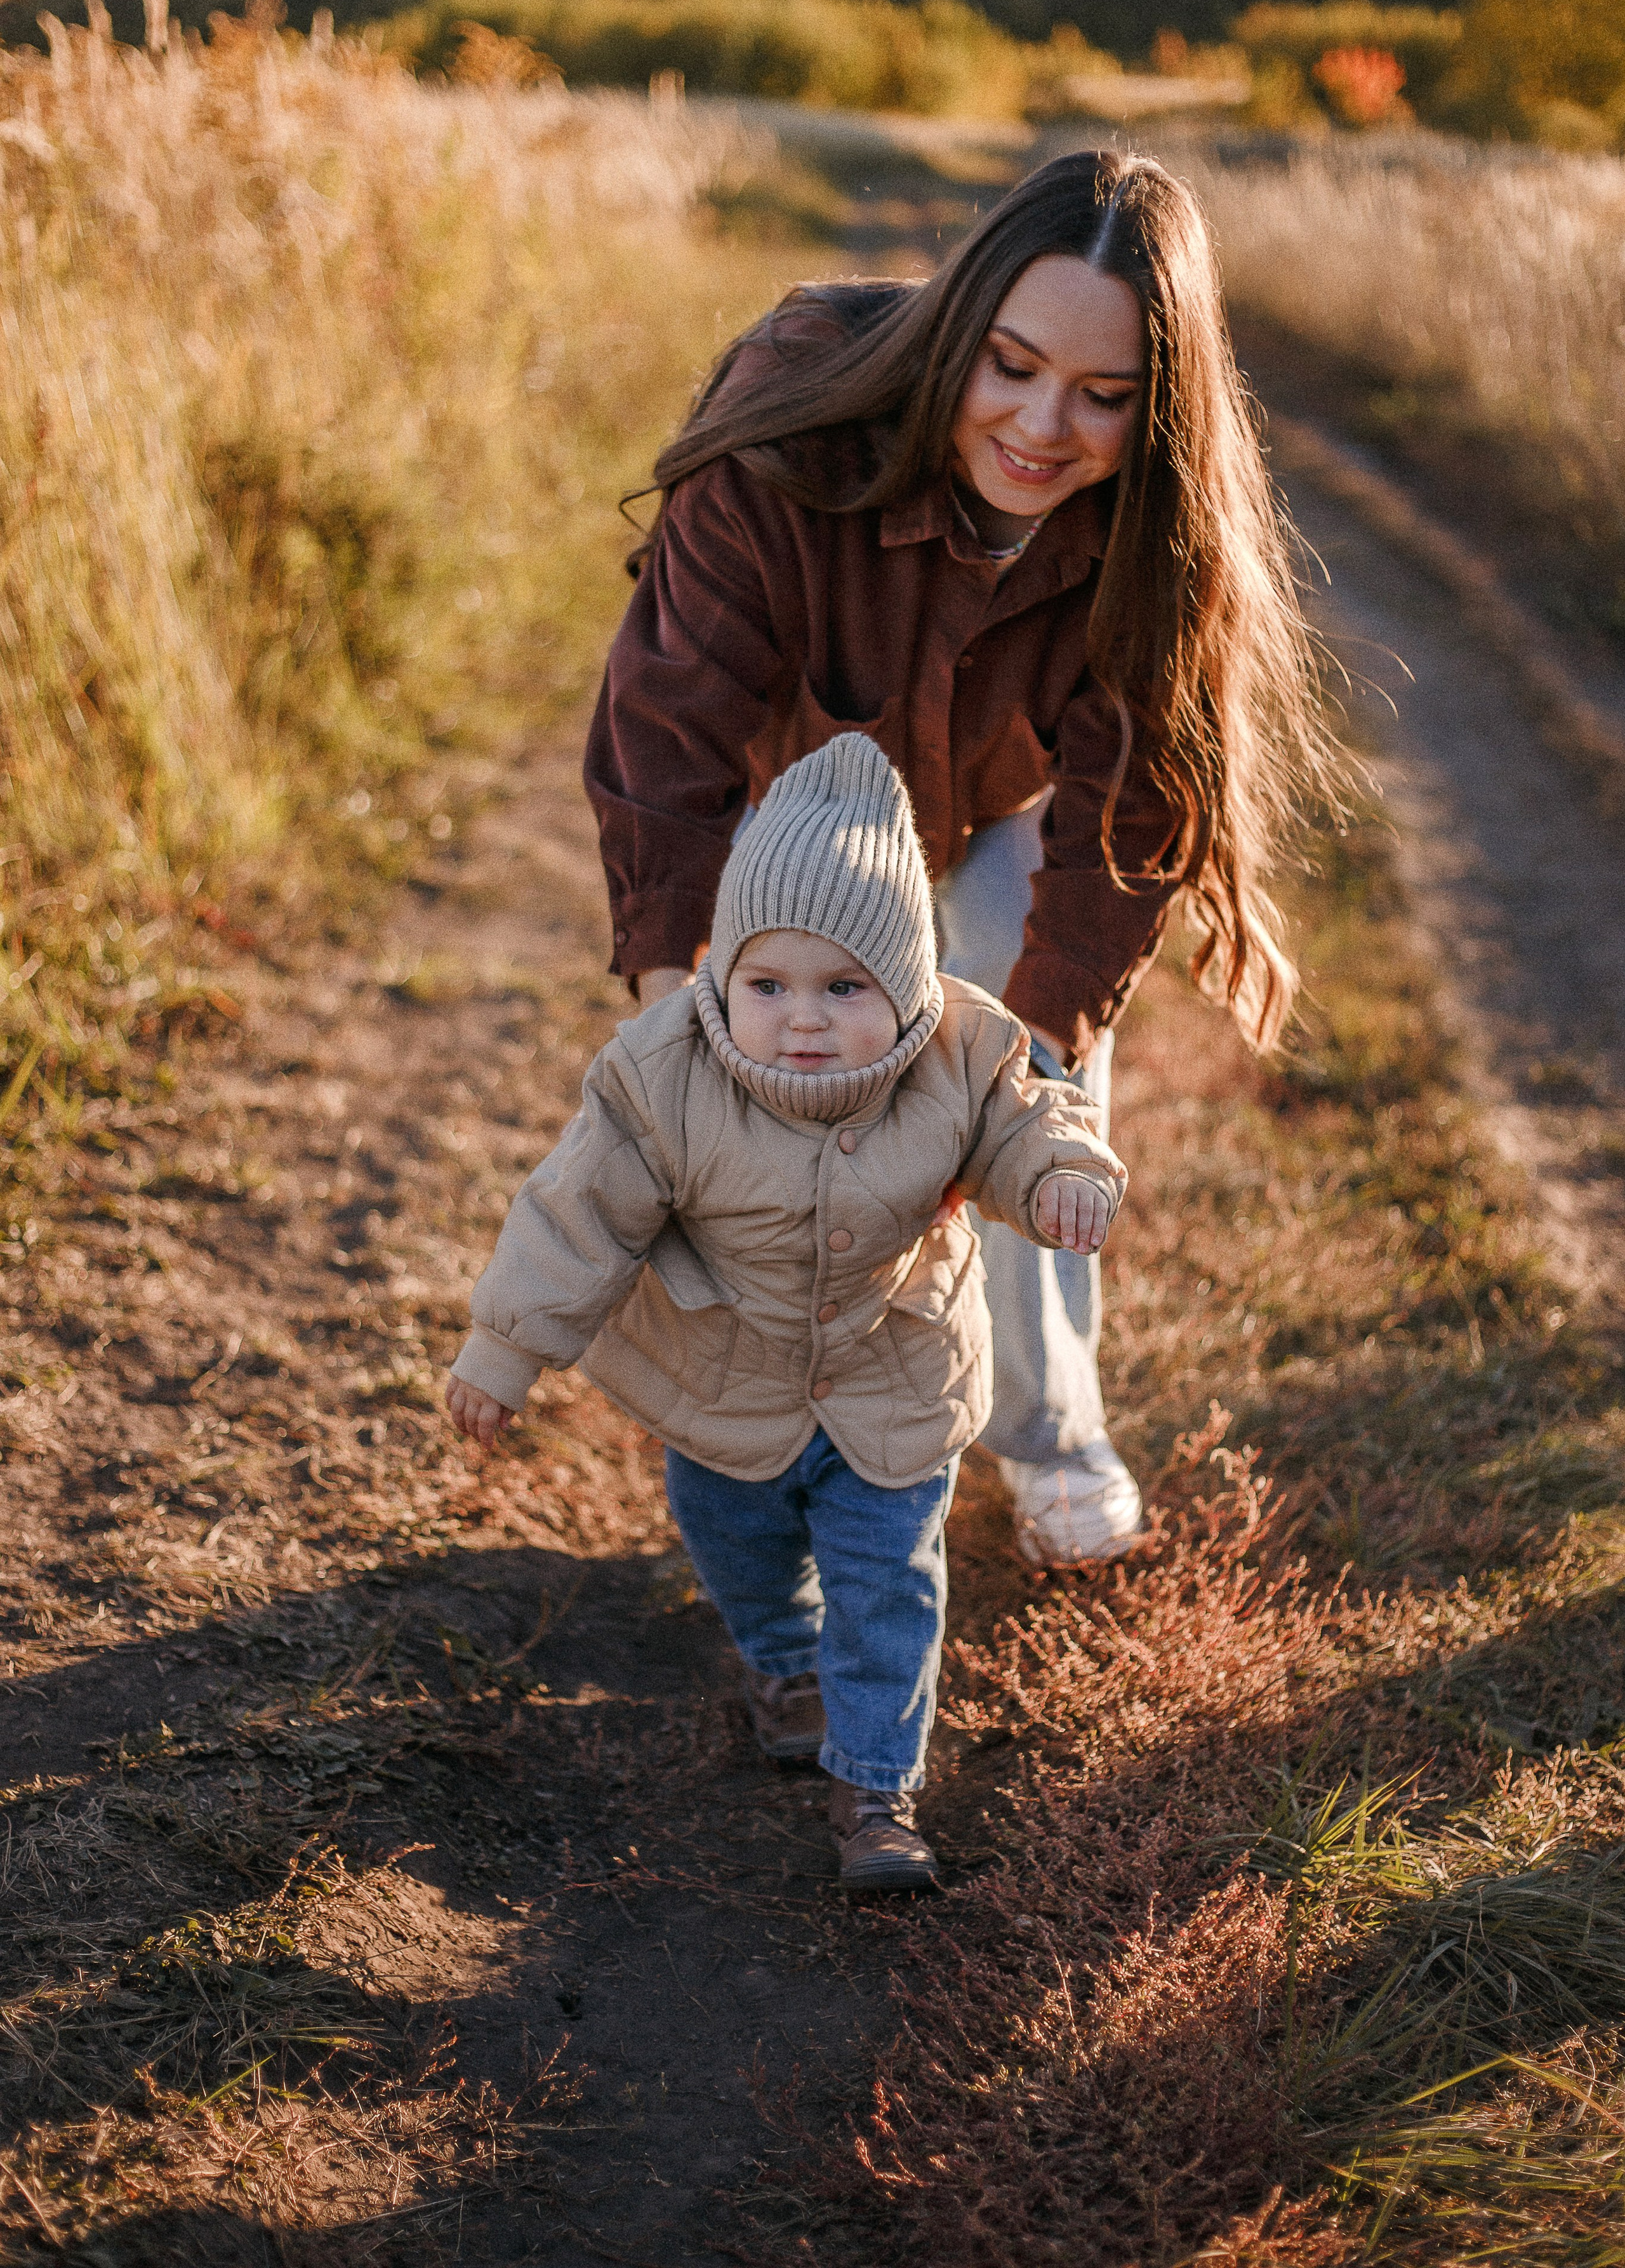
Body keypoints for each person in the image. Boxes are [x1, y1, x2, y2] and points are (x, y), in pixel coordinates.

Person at [583, 147, 1334, 1566]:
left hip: (1002, 807)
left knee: (1016, 1047)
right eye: (1010, 366)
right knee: (765, 1081)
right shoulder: (793, 425)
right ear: (958, 331)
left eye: (1104, 397)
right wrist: (669, 1012)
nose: (1044, 426)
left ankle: (1050, 1432)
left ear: (1156, 409)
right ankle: (776, 1442)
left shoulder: (1154, 532)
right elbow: (666, 723)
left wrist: (1024, 1076)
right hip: (793, 797)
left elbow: (1123, 813)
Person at [445, 734, 1126, 1889]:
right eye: (769, 985)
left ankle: (878, 1792)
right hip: (726, 1386)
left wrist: (1065, 1175)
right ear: (724, 977)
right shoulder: (665, 1073)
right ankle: (778, 1657)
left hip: (891, 1381)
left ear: (909, 982)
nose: (803, 1019)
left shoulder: (966, 1050)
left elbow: (1035, 1121)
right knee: (741, 1553)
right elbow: (578, 1212)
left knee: (891, 1585)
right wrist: (505, 1349)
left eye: (845, 988)